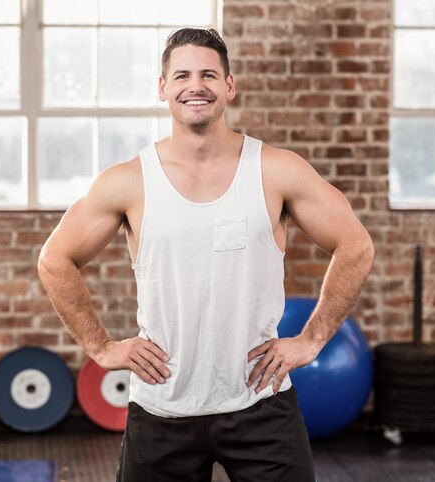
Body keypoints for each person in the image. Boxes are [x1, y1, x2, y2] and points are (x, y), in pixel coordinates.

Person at [38, 28, 374, 482]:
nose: (195, 86)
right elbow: (54, 260)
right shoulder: (128, 181)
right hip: (162, 407)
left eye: (208, 75)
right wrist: (101, 347)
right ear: (163, 88)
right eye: (182, 75)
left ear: (229, 86)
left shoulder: (276, 170)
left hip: (260, 403)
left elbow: (355, 245)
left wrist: (311, 340)